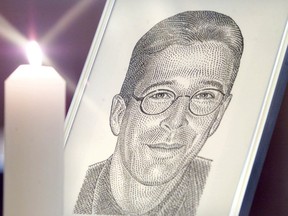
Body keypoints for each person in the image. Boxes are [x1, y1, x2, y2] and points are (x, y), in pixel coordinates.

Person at [74, 10, 244, 215]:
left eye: (205, 96)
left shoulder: (227, 195)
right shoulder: (70, 189)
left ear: (219, 114)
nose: (176, 121)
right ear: (119, 113)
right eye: (161, 94)